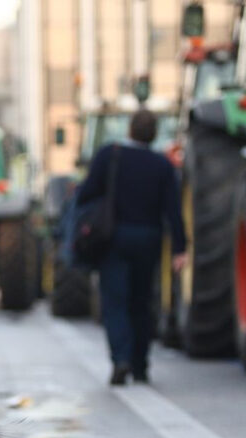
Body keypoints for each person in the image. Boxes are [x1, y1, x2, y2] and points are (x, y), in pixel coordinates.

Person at [76, 110, 187, 385]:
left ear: (130, 130)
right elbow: (173, 210)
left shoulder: (109, 156)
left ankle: (120, 360)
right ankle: (141, 365)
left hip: (113, 238)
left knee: (115, 302)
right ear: (154, 133)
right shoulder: (162, 165)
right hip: (149, 239)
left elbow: (86, 192)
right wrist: (180, 248)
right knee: (141, 301)